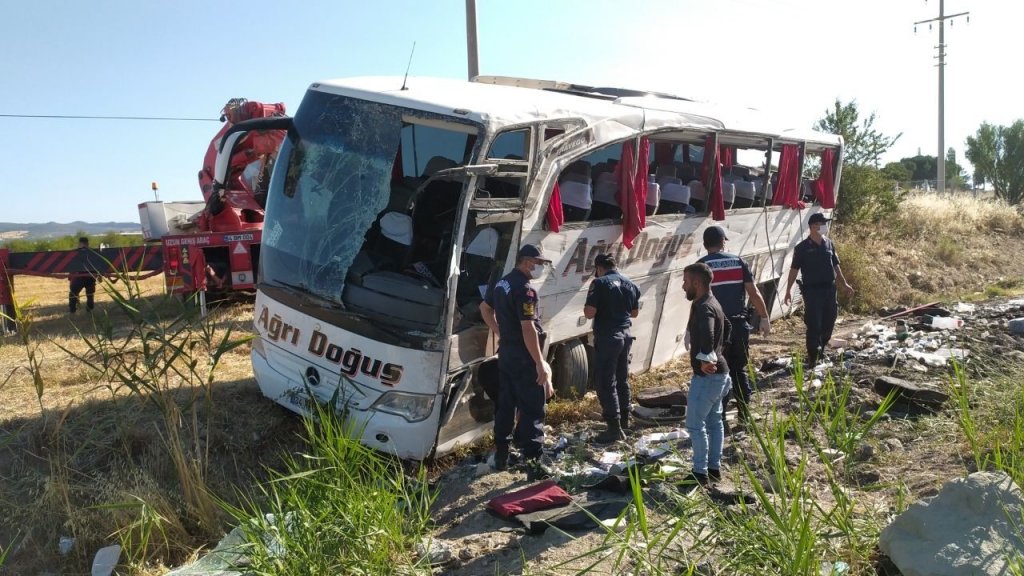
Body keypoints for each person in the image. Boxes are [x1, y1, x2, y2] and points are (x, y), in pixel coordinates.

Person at [480, 244, 554, 479]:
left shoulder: (502, 283)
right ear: (526, 261)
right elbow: (528, 327)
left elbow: (484, 308)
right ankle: (534, 465)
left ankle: (501, 455)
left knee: (506, 405)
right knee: (533, 408)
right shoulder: (525, 290)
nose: (539, 268)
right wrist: (539, 362)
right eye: (538, 263)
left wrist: (500, 332)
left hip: (507, 355)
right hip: (524, 357)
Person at [697, 226, 771, 427]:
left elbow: (698, 301)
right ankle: (744, 416)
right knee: (738, 370)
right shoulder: (738, 262)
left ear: (705, 244)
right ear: (723, 242)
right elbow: (754, 293)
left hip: (714, 328)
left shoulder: (701, 266)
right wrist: (764, 317)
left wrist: (691, 329)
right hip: (738, 326)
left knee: (716, 373)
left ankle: (719, 420)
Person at [681, 262, 732, 487]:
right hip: (721, 375)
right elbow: (728, 326)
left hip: (708, 377)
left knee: (694, 424)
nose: (683, 286)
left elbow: (710, 333)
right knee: (714, 422)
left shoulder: (703, 307)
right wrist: (719, 353)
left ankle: (699, 472)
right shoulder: (713, 301)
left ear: (697, 283)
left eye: (686, 282)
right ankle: (714, 469)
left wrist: (706, 358)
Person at [783, 213, 855, 367]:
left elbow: (836, 266)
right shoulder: (802, 248)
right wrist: (788, 290)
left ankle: (821, 349)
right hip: (812, 291)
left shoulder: (829, 243)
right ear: (813, 226)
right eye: (822, 224)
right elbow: (794, 270)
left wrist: (845, 284)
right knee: (814, 323)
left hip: (829, 289)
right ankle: (813, 357)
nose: (825, 226)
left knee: (829, 321)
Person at [583, 253, 641, 444]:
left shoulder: (598, 283)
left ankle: (614, 428)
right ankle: (624, 422)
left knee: (605, 382)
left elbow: (589, 313)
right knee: (622, 379)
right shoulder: (631, 284)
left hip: (608, 336)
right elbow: (634, 313)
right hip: (626, 335)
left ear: (599, 268)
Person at [68, 237, 98, 314]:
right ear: (88, 243)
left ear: (80, 243)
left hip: (79, 277)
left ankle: (72, 310)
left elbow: (70, 265)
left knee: (73, 294)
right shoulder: (93, 252)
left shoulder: (74, 252)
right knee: (90, 295)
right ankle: (89, 309)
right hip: (89, 277)